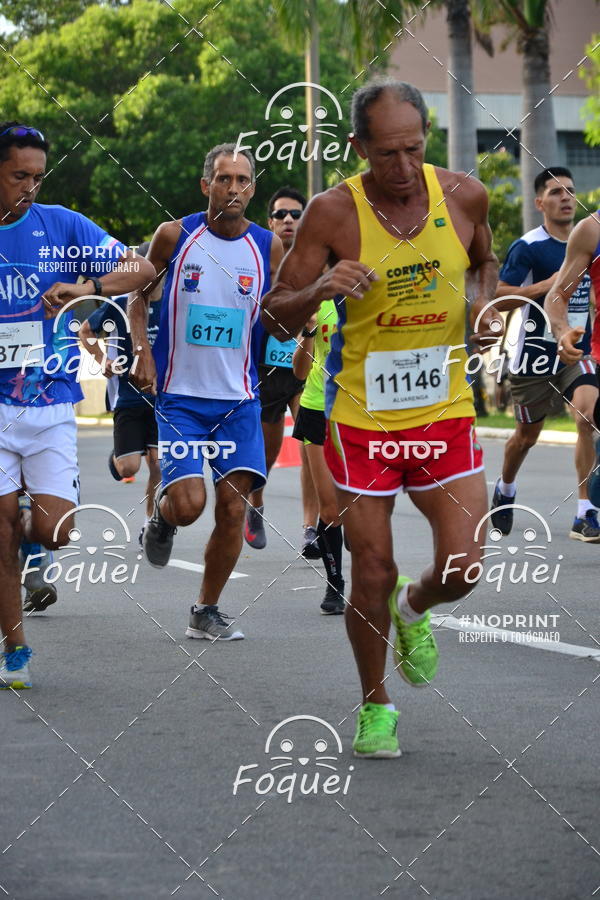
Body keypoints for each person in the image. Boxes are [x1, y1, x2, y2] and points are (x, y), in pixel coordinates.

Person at [261, 80, 499, 757]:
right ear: (357, 147)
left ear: (426, 141)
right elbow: (275, 312)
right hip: (361, 418)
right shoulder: (332, 215)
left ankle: (415, 610)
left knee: (464, 567)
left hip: (446, 410)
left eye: (412, 150)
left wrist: (480, 308)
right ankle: (374, 705)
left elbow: (484, 261)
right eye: (384, 153)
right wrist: (318, 288)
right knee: (371, 569)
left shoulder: (465, 196)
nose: (400, 168)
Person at [0, 122, 155, 689]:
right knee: (2, 540)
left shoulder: (61, 225)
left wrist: (87, 285)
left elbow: (143, 268)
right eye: (19, 175)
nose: (30, 187)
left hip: (50, 405)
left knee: (56, 531)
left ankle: (25, 518)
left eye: (38, 177)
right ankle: (15, 651)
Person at [129, 143, 282, 641]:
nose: (233, 188)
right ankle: (163, 515)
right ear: (206, 185)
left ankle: (205, 610)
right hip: (180, 399)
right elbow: (137, 294)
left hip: (239, 400)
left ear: (252, 189)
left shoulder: (267, 246)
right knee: (190, 505)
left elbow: (281, 310)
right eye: (224, 179)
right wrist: (141, 349)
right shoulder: (176, 236)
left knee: (234, 508)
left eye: (243, 180)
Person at [490, 167, 599, 541]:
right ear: (539, 202)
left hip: (577, 349)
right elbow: (500, 298)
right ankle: (505, 487)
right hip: (534, 356)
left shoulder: (589, 238)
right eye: (555, 192)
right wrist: (544, 286)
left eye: (570, 191)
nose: (565, 198)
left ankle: (586, 511)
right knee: (526, 435)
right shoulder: (529, 246)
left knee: (586, 414)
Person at [244, 187, 320, 558]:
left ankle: (310, 528)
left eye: (296, 214)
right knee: (267, 452)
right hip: (265, 369)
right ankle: (255, 504)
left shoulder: (317, 262)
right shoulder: (259, 261)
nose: (289, 220)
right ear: (270, 222)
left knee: (309, 444)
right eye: (281, 214)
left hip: (306, 366)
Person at [78, 243, 163, 546]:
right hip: (127, 396)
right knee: (130, 467)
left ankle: (149, 524)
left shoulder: (173, 304)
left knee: (158, 463)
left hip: (161, 399)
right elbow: (85, 332)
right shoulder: (117, 303)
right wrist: (103, 360)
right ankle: (117, 457)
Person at [292, 300, 345, 613]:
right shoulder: (317, 301)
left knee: (362, 505)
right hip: (316, 406)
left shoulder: (370, 292)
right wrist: (309, 329)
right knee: (330, 509)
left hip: (362, 409)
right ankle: (335, 585)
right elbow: (299, 371)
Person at [546, 206, 600, 503]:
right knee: (587, 416)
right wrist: (562, 329)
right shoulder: (592, 230)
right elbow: (558, 295)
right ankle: (585, 505)